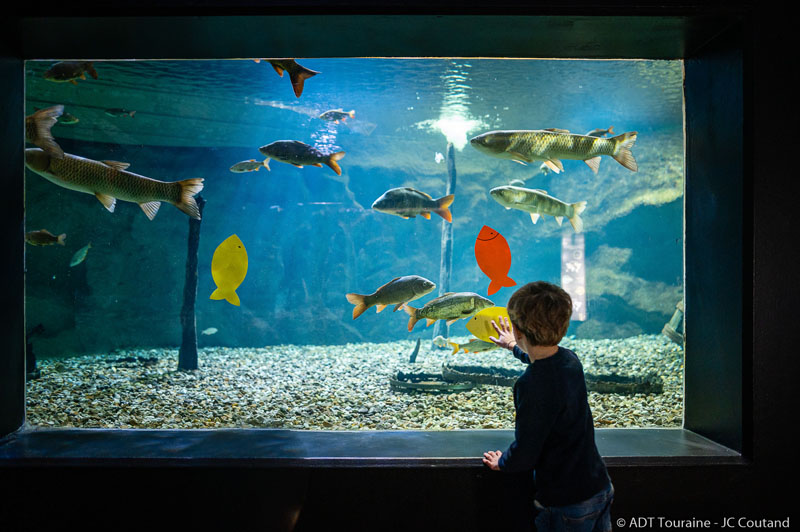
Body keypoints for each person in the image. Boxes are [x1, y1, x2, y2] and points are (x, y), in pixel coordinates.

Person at [482, 281, 614, 532]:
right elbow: (543, 359)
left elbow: (527, 449)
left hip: (566, 502)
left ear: (519, 331)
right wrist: (513, 346)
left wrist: (503, 463)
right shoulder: (569, 359)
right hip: (599, 486)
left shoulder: (531, 385)